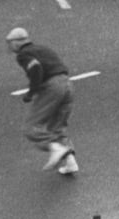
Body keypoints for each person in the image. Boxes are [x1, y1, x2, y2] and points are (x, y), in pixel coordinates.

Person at [6, 27, 78, 175]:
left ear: (16, 43)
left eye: (10, 43)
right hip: (67, 84)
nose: (9, 46)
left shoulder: (23, 54)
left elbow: (36, 68)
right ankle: (70, 162)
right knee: (57, 127)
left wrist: (32, 91)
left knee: (31, 128)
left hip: (52, 87)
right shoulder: (43, 49)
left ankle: (56, 148)